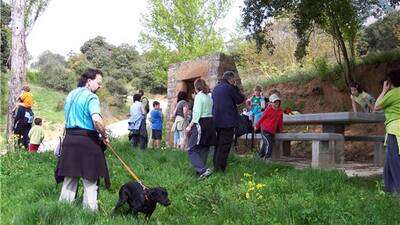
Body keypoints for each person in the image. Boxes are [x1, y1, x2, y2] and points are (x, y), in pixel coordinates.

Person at [55, 68, 110, 212]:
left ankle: (62, 211)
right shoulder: (91, 97)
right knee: (90, 180)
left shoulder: (71, 95)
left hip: (69, 140)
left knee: (70, 178)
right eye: (98, 83)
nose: (100, 86)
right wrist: (104, 135)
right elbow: (97, 120)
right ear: (89, 81)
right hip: (87, 142)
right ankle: (90, 214)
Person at [212, 71, 245, 172]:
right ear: (230, 79)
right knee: (225, 145)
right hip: (227, 122)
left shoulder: (216, 88)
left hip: (216, 121)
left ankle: (215, 165)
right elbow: (240, 99)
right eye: (233, 80)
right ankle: (220, 168)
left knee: (218, 144)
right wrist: (235, 87)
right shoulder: (229, 88)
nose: (234, 82)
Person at [374, 69, 400, 194]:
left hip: (395, 130)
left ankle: (398, 190)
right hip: (395, 130)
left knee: (393, 159)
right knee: (390, 160)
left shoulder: (393, 93)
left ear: (390, 82)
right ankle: (389, 189)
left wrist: (384, 90)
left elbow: (376, 106)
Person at [186, 78, 216, 179]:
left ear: (195, 87)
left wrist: (190, 125)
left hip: (201, 123)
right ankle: (201, 173)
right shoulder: (209, 96)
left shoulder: (199, 96)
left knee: (191, 148)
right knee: (204, 147)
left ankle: (202, 169)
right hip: (210, 123)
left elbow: (197, 113)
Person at [255, 94, 284, 159]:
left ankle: (259, 157)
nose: (276, 103)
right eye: (274, 102)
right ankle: (267, 159)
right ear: (270, 103)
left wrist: (281, 130)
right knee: (269, 144)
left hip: (272, 131)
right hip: (265, 130)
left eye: (277, 102)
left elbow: (280, 122)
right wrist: (256, 126)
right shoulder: (268, 110)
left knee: (265, 144)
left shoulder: (280, 111)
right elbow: (262, 118)